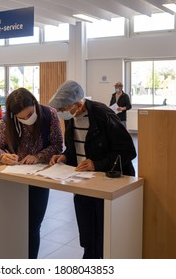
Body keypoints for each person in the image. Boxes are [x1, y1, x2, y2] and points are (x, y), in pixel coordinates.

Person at [48, 80, 137, 259]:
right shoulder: (72, 119)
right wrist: (65, 156)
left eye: (63, 109)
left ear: (78, 104)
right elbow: (75, 149)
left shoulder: (102, 114)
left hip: (107, 184)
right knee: (88, 235)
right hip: (83, 184)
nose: (61, 113)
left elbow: (128, 151)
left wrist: (97, 164)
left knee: (104, 235)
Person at [0, 88, 63, 258]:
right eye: (21, 118)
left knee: (32, 226)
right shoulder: (7, 121)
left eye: (29, 114)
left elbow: (58, 145)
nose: (26, 120)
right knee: (12, 224)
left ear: (34, 104)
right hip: (13, 178)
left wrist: (38, 156)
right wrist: (3, 156)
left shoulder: (49, 115)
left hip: (39, 178)